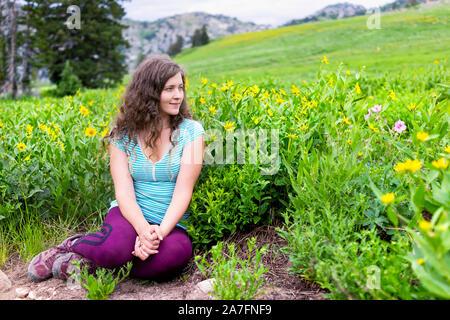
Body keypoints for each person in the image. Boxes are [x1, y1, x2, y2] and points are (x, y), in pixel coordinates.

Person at [28, 54, 205, 282]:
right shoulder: (123, 135)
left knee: (170, 258)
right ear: (150, 92)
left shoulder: (192, 132)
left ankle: (95, 266)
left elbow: (183, 192)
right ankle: (71, 247)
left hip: (171, 221)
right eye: (169, 89)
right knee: (114, 250)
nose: (178, 95)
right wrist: (142, 229)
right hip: (129, 214)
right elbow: (123, 191)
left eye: (180, 87)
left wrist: (157, 233)